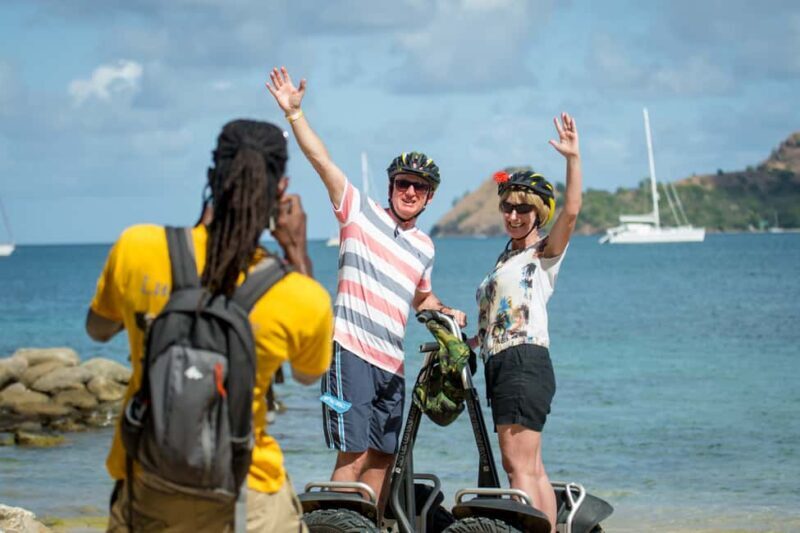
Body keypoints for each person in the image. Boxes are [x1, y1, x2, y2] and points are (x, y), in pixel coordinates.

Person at [86, 119, 333, 532]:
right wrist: (296, 253)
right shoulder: (301, 296)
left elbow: (98, 328)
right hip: (245, 498)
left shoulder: (136, 247)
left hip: (147, 485)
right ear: (280, 190)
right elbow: (310, 374)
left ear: (211, 177)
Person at [265, 66, 467, 510]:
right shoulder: (358, 210)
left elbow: (420, 298)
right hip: (349, 350)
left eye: (420, 187)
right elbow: (322, 162)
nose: (410, 191)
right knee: (352, 454)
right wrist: (295, 115)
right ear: (391, 185)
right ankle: (337, 523)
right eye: (403, 183)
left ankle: (366, 526)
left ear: (430, 197)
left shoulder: (424, 247)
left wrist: (446, 312)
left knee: (384, 456)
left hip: (391, 365)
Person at [474, 113, 581, 532]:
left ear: (538, 213)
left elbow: (571, 213)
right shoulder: (507, 258)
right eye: (508, 207)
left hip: (523, 360)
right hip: (503, 362)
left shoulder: (542, 253)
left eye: (523, 209)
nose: (514, 215)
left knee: (519, 468)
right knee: (529, 466)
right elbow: (494, 321)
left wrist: (573, 158)